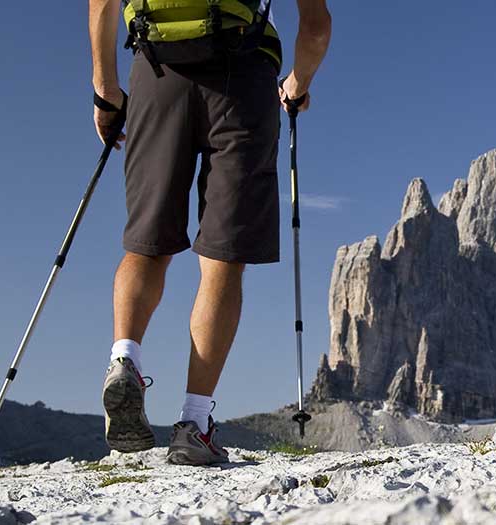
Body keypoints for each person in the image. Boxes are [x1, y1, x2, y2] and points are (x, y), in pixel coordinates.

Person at [86, 0, 331, 465]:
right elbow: (316, 26)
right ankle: (194, 424)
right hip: (244, 77)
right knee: (222, 259)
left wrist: (106, 90)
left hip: (156, 69)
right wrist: (298, 83)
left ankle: (125, 359)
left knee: (147, 244)